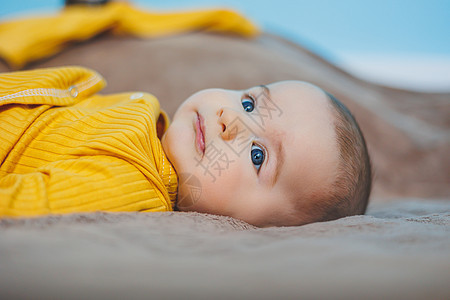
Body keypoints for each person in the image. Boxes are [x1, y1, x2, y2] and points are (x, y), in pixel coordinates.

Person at [0, 66, 371, 227]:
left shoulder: (131, 180)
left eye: (258, 156)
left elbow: (24, 202)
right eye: (249, 104)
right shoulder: (145, 117)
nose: (231, 122)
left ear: (265, 227)